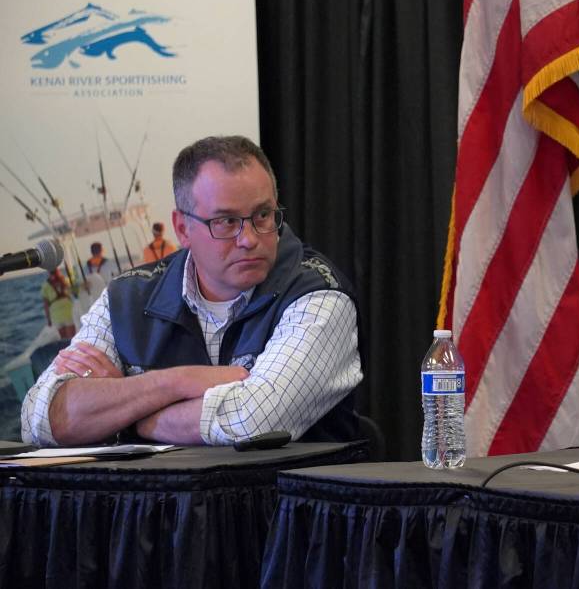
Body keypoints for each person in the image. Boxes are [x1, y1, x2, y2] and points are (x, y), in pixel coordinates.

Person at [22, 136, 364, 446]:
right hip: (159, 510)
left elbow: (254, 423)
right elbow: (40, 417)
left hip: (279, 510)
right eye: (226, 221)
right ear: (182, 229)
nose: (249, 239)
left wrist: (123, 410)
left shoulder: (318, 294)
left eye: (262, 215)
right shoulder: (127, 297)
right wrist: (178, 382)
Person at [41, 267, 76, 340]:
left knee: (64, 340)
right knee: (72, 339)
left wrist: (49, 320)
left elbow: (46, 306)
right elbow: (75, 290)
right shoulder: (65, 280)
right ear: (58, 270)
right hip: (68, 312)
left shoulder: (45, 286)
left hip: (56, 316)